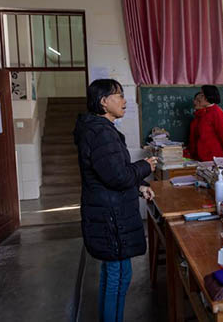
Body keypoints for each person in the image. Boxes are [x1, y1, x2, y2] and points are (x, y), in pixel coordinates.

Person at [73, 79, 156, 322]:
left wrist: (139, 186)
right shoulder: (100, 132)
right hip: (110, 216)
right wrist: (145, 167)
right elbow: (117, 175)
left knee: (118, 273)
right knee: (116, 275)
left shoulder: (99, 129)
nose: (124, 100)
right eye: (118, 95)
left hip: (110, 210)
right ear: (103, 101)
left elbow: (111, 173)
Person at [188, 85, 223, 161]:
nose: (199, 98)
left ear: (208, 97)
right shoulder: (204, 112)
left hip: (213, 155)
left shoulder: (217, 112)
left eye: (202, 95)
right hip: (202, 154)